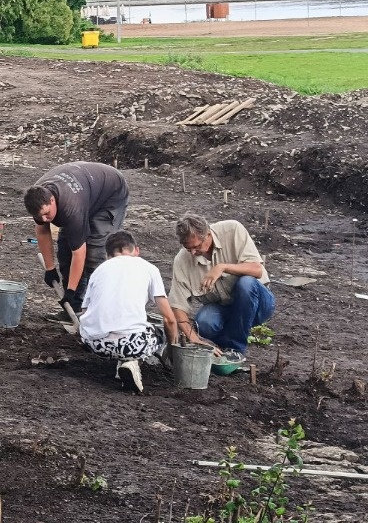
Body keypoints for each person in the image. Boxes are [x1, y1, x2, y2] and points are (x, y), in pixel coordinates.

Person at [78, 231, 178, 394]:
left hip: (95, 344)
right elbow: (169, 319)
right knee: (157, 332)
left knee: (122, 326)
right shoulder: (148, 268)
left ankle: (121, 365)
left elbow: (84, 312)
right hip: (132, 345)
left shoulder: (99, 271)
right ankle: (132, 363)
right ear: (136, 251)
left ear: (108, 256)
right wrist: (173, 352)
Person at [23, 161, 129, 313]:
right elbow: (42, 230)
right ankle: (75, 308)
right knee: (65, 252)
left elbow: (79, 253)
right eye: (41, 216)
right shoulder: (36, 197)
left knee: (94, 254)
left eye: (47, 214)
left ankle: (102, 310)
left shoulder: (71, 207)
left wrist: (70, 291)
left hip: (111, 194)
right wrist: (50, 268)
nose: (46, 219)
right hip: (87, 192)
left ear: (52, 200)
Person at [168, 213, 274, 356]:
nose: (193, 252)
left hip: (259, 305)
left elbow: (256, 269)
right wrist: (194, 339)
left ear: (208, 234)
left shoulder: (233, 230)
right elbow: (177, 305)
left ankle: (235, 349)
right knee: (204, 322)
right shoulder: (182, 260)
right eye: (188, 248)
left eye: (197, 246)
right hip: (224, 307)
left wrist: (222, 267)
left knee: (246, 283)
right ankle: (225, 345)